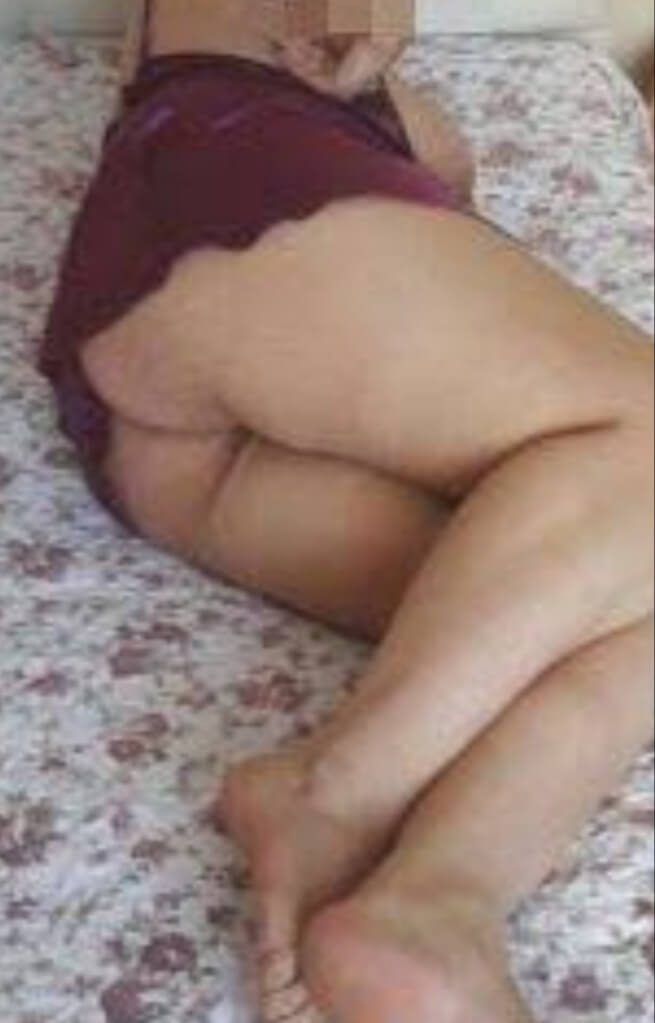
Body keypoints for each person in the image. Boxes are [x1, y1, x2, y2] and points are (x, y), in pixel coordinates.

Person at [40, 2, 654, 1021]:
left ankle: (435, 901)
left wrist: (393, 95)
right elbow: (334, 27)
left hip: (173, 449)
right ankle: (333, 789)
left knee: (603, 601)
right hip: (231, 201)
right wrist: (364, 38)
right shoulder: (279, 62)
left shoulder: (347, 96)